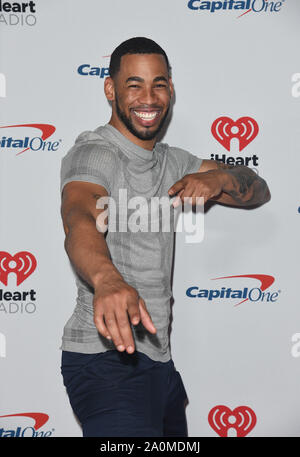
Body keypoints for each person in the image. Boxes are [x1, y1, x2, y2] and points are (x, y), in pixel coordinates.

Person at [60, 37, 270, 437]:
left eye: (158, 84)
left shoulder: (173, 161)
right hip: (104, 361)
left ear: (170, 90)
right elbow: (79, 218)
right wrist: (107, 279)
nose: (148, 97)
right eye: (133, 84)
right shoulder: (95, 153)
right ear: (111, 90)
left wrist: (221, 177)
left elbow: (258, 189)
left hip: (160, 365)